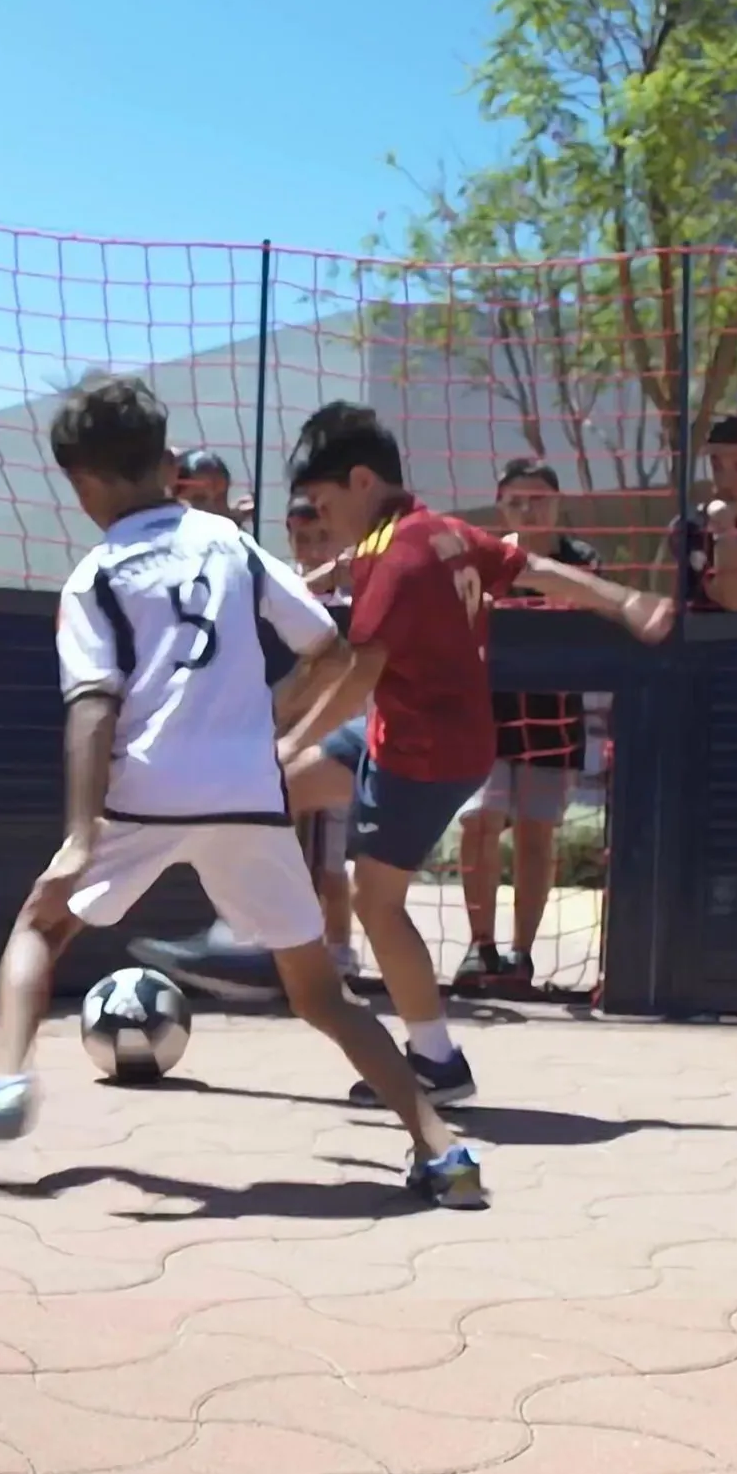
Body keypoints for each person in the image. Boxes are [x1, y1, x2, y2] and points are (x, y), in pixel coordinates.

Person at [0, 375, 483, 1210]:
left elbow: (92, 709)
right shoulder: (228, 543)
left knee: (41, 923)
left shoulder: (95, 576)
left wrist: (81, 832)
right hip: (249, 793)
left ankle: (4, 1079)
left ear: (81, 484)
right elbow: (326, 646)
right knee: (322, 994)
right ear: (168, 464)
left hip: (147, 791)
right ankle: (444, 1152)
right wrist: (269, 717)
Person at [266, 402, 671, 1109]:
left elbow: (358, 675)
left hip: (422, 756)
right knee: (279, 791)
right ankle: (247, 929)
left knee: (377, 902)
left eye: (325, 506)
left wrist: (289, 739)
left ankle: (437, 1063)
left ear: (361, 482)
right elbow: (535, 567)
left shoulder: (398, 561)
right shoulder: (438, 531)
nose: (322, 520)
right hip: (407, 730)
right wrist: (626, 600)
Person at [453, 458, 601, 993]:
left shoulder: (582, 561)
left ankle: (521, 955)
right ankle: (480, 947)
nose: (528, 509)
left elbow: (585, 620)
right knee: (479, 822)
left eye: (539, 499)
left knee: (537, 834)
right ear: (501, 507)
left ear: (557, 504)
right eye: (517, 501)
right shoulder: (484, 557)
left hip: (553, 717)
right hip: (487, 712)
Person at [286, 493, 357, 975]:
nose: (313, 549)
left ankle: (340, 949)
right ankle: (287, 952)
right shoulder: (284, 586)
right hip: (288, 743)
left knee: (333, 864)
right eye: (302, 539)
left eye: (322, 539)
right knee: (286, 857)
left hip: (336, 742)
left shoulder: (355, 596)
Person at [676, 412, 737, 612]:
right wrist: (723, 529)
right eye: (717, 467)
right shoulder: (692, 529)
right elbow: (735, 601)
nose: (724, 481)